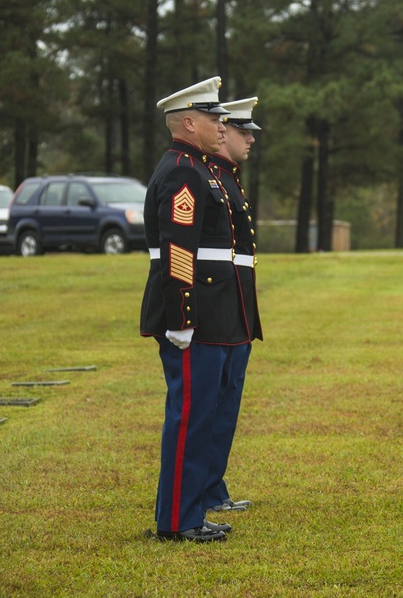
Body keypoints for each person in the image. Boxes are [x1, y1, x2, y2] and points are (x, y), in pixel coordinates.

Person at [140, 77, 256, 543]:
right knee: (190, 416)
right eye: (212, 118)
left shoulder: (196, 167)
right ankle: (177, 520)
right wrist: (182, 319)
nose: (220, 126)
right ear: (189, 122)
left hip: (215, 312)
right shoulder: (183, 171)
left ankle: (190, 509)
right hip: (198, 315)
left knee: (204, 413)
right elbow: (178, 250)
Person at [199, 96, 263, 515]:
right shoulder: (210, 178)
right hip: (217, 310)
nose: (248, 140)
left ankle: (213, 487)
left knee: (226, 406)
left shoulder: (228, 178)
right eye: (243, 132)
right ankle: (204, 490)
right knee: (212, 406)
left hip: (235, 308)